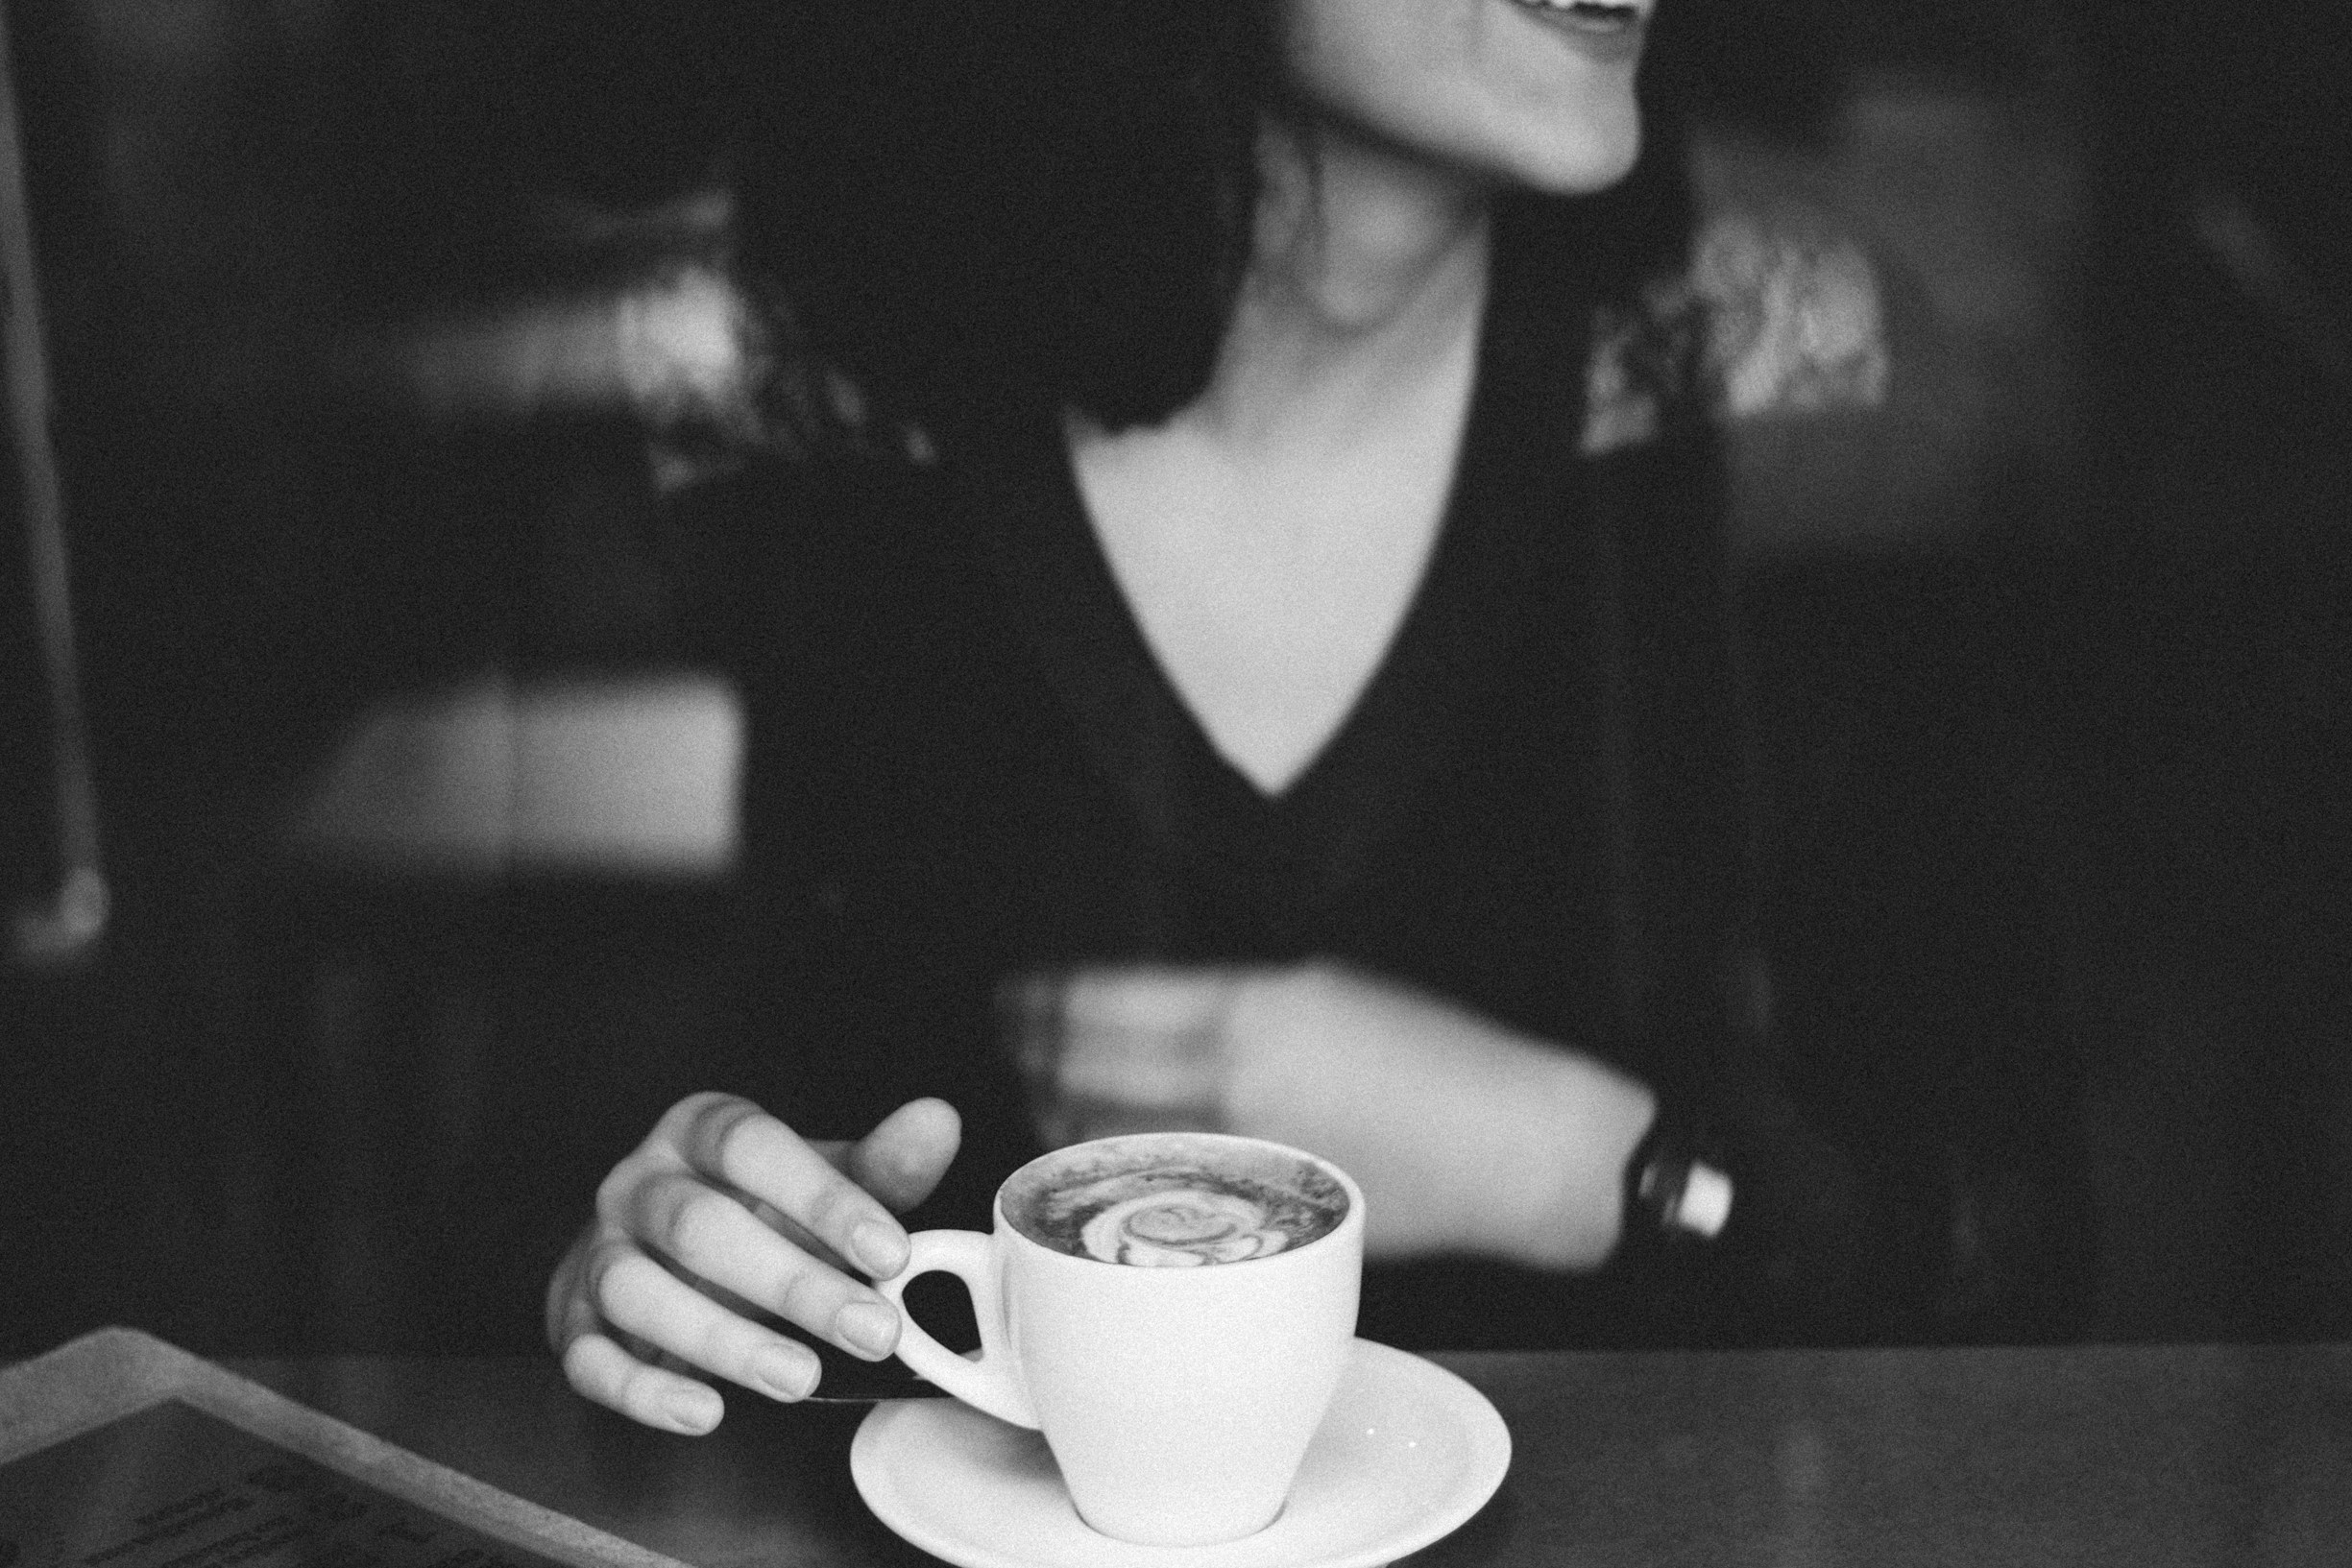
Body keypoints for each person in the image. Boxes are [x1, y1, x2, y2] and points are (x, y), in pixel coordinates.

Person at [542, 0, 2090, 1435]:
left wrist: (1574, 1165)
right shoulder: (769, 375)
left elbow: (2024, 1261)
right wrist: (650, 1258)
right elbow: (527, 1201)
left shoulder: (1784, 368)